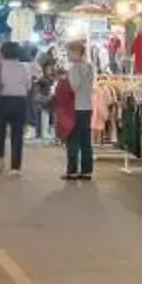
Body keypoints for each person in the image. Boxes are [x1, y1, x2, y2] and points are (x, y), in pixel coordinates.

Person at [0, 39, 35, 174]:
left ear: (3, 52)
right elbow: (28, 85)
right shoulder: (24, 67)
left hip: (2, 101)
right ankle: (15, 167)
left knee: (0, 134)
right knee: (17, 135)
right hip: (19, 102)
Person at [57, 40, 98, 182]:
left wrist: (63, 82)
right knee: (86, 141)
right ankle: (87, 170)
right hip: (87, 106)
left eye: (68, 52)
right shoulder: (90, 67)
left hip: (75, 108)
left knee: (73, 140)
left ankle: (72, 170)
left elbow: (73, 87)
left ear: (75, 53)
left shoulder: (75, 68)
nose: (67, 55)